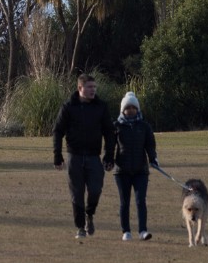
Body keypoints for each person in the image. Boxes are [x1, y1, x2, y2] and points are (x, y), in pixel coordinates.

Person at [51, 73, 116, 239]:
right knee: (76, 194)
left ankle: (90, 215)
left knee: (95, 190)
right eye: (89, 87)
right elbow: (58, 131)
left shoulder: (101, 107)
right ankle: (80, 227)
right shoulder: (68, 107)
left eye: (94, 87)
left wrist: (109, 156)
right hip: (75, 156)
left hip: (94, 157)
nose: (93, 90)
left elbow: (109, 132)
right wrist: (57, 155)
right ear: (80, 88)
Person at [110, 91, 158, 240]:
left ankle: (143, 231)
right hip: (121, 171)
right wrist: (108, 160)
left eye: (133, 108)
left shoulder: (144, 126)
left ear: (137, 109)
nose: (130, 110)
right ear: (123, 110)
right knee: (124, 202)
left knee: (140, 201)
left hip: (140, 170)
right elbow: (110, 147)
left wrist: (153, 159)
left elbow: (150, 145)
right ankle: (126, 231)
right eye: (128, 108)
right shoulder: (116, 126)